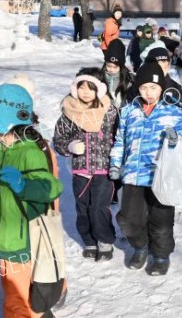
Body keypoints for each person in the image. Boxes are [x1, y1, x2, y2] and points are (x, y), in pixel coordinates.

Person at [0, 82, 63, 318]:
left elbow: (50, 187)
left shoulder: (29, 151)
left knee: (19, 304)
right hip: (5, 241)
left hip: (23, 242)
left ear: (4, 119)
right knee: (24, 298)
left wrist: (24, 186)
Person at [110, 62, 182, 276]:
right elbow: (120, 141)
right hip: (133, 176)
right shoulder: (129, 112)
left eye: (153, 88)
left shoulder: (175, 113)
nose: (149, 93)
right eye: (144, 87)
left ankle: (161, 255)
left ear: (162, 88)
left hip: (161, 176)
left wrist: (175, 140)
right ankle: (140, 246)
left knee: (161, 221)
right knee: (129, 220)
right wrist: (115, 164)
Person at [53, 70, 118, 261]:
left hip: (103, 168)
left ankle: (105, 241)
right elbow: (58, 139)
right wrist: (70, 146)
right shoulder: (68, 113)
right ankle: (89, 240)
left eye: (91, 88)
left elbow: (121, 136)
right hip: (81, 169)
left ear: (99, 89)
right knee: (83, 207)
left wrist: (118, 159)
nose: (86, 92)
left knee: (99, 206)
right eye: (81, 87)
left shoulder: (110, 111)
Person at [103, 39, 134, 109]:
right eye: (109, 66)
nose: (111, 69)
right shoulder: (99, 77)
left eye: (115, 67)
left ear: (121, 66)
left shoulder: (128, 79)